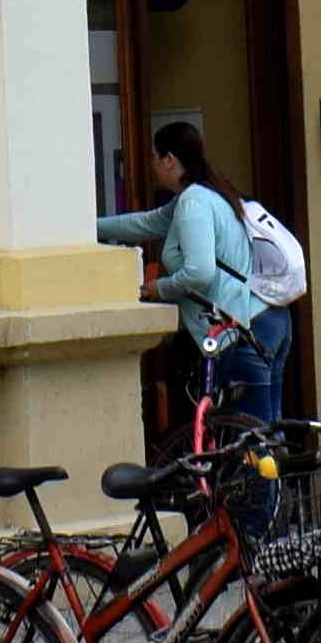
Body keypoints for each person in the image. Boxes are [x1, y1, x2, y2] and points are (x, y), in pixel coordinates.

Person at [95, 118, 289, 451]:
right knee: (265, 435)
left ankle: (261, 504)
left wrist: (159, 288)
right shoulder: (206, 194)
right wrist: (84, 227)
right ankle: (283, 502)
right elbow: (147, 222)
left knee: (252, 445)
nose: (153, 166)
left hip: (240, 330)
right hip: (267, 321)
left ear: (170, 160)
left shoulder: (193, 203)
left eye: (155, 158)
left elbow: (200, 272)